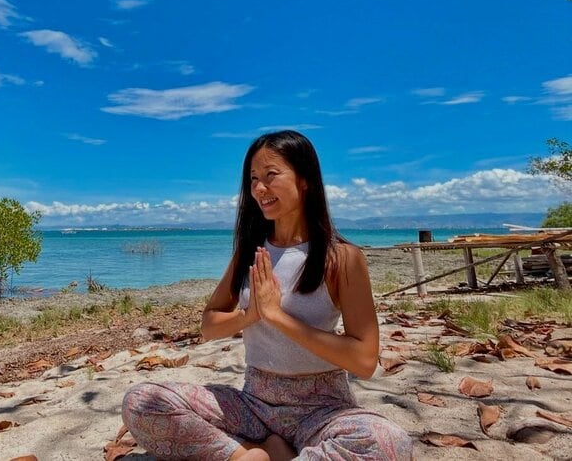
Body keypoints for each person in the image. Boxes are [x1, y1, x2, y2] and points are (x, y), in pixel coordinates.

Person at [122, 130, 413, 460]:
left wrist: (278, 316)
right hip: (253, 406)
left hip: (322, 411)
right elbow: (209, 326)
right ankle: (247, 455)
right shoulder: (250, 251)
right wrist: (251, 315)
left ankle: (271, 452)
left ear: (304, 179)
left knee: (389, 442)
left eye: (271, 175)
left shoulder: (341, 258)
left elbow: (363, 360)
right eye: (253, 179)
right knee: (141, 400)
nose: (259, 189)